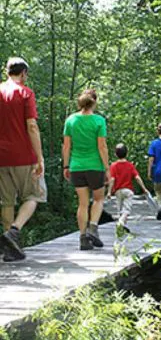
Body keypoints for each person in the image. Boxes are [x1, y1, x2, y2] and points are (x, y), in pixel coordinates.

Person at [0, 57, 46, 262]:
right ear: (24, 73)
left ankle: (11, 250)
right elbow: (32, 126)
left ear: (6, 72)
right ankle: (14, 231)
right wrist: (40, 157)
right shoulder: (25, 93)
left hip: (1, 157)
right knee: (34, 196)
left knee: (6, 201)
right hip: (23, 155)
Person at [63, 89, 110, 250]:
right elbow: (102, 146)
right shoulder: (99, 121)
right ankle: (93, 227)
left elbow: (67, 146)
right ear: (94, 102)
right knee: (98, 199)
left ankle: (83, 238)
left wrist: (66, 165)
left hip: (76, 166)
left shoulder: (71, 120)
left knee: (82, 204)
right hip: (95, 166)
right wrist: (107, 168)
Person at [107, 143, 149, 236]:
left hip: (118, 191)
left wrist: (109, 192)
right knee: (126, 210)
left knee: (119, 210)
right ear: (127, 153)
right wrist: (144, 188)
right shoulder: (130, 165)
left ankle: (121, 226)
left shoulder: (113, 165)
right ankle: (121, 224)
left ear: (115, 154)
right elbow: (137, 177)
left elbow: (112, 179)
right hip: (128, 191)